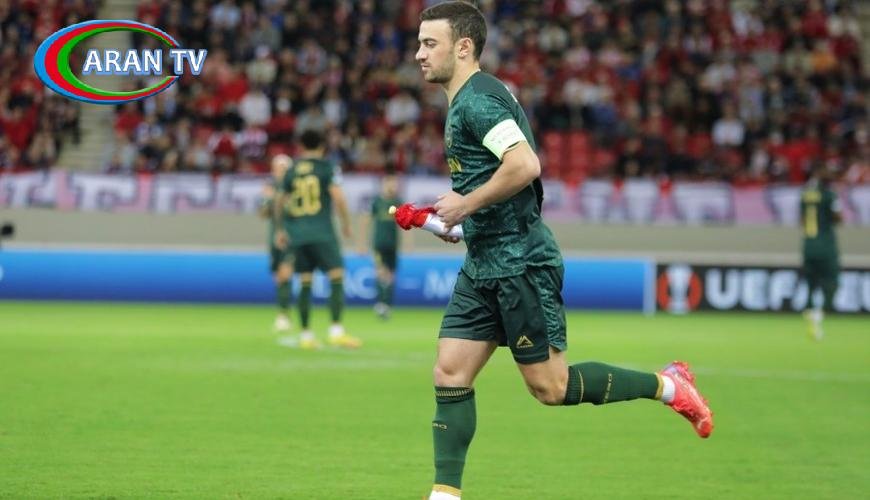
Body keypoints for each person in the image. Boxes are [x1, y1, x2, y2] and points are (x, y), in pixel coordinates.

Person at [415, 4, 714, 499]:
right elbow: (501, 181)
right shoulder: (469, 98)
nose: (419, 54)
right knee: (450, 370)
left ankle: (668, 385)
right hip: (486, 259)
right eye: (420, 43)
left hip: (520, 263)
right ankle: (445, 494)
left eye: (430, 43)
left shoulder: (478, 101)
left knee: (551, 388)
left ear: (463, 47)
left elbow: (524, 165)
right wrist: (462, 222)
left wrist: (465, 205)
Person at [277, 129, 361, 350]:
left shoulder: (292, 170)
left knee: (305, 281)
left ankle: (306, 335)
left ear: (300, 146)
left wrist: (280, 229)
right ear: (322, 147)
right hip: (323, 232)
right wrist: (346, 224)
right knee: (336, 276)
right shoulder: (326, 167)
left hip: (298, 235)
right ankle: (336, 331)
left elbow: (279, 200)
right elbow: (339, 198)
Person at [800, 164, 842, 340]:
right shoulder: (830, 195)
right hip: (826, 244)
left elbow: (802, 219)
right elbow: (838, 218)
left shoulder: (806, 195)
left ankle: (809, 310)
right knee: (832, 281)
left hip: (808, 244)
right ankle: (820, 313)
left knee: (811, 282)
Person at [361, 171, 402, 319]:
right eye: (390, 183)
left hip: (393, 244)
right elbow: (366, 221)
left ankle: (387, 304)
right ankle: (380, 303)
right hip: (378, 244)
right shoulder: (377, 202)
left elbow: (405, 225)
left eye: (395, 183)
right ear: (383, 184)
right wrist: (361, 243)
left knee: (391, 275)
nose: (393, 186)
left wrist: (408, 244)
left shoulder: (398, 202)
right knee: (380, 272)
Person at [260, 154, 293, 332]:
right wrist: (266, 199)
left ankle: (283, 315)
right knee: (278, 276)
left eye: (282, 168)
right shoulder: (271, 188)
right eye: (276, 168)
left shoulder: (294, 188)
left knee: (285, 273)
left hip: (291, 236)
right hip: (273, 236)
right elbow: (263, 215)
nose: (278, 172)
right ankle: (283, 312)